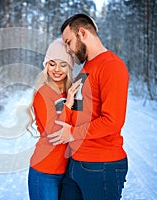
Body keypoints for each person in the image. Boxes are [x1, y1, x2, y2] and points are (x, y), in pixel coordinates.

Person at [47, 13, 130, 200]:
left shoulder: (112, 66)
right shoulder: (86, 68)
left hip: (101, 166)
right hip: (76, 162)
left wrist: (73, 133)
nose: (67, 49)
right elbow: (81, 111)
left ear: (82, 33)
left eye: (68, 42)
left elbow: (113, 121)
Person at [26, 39, 82, 200]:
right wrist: (69, 104)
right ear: (46, 66)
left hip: (68, 172)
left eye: (63, 64)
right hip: (45, 172)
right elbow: (54, 132)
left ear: (70, 67)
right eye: (52, 64)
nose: (57, 69)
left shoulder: (69, 93)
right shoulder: (43, 93)